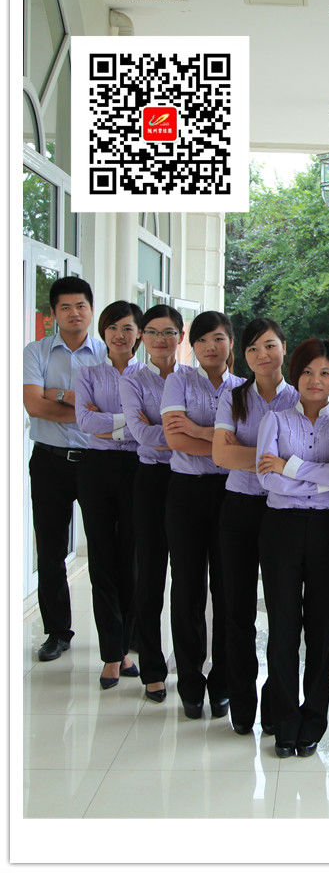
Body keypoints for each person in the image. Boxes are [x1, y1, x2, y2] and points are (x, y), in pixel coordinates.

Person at [256, 338, 329, 758]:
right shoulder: (275, 420)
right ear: (295, 376)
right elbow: (267, 478)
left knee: (321, 630)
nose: (316, 380)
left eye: (325, 372)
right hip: (281, 529)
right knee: (282, 628)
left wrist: (292, 468)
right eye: (308, 372)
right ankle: (284, 720)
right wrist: (319, 478)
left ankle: (313, 720)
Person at [212, 318, 299, 736]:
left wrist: (249, 454)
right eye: (252, 348)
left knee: (283, 613)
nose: (262, 355)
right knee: (237, 611)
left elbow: (311, 456)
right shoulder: (233, 397)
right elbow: (220, 456)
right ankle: (241, 702)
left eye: (269, 345)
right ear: (242, 355)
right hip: (239, 511)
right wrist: (275, 460)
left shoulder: (299, 397)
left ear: (284, 347)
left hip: (285, 513)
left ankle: (278, 706)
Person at [161, 311, 243, 719]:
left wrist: (195, 429)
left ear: (231, 342)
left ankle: (223, 683)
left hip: (232, 494)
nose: (211, 347)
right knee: (187, 588)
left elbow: (245, 440)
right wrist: (218, 441)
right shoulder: (178, 380)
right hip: (187, 492)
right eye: (202, 340)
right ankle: (190, 683)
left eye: (218, 338)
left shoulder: (242, 389)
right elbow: (173, 438)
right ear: (192, 346)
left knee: (228, 590)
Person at [23, 276, 107, 661]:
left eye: (81, 306)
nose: (75, 313)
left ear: (91, 309)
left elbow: (113, 410)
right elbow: (33, 405)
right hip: (49, 461)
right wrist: (84, 405)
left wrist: (57, 395)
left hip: (97, 461)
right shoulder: (36, 352)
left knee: (107, 550)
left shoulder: (107, 353)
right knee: (51, 550)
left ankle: (119, 635)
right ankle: (57, 632)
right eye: (66, 307)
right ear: (54, 312)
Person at [74, 300, 144, 689]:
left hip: (138, 468)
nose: (120, 334)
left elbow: (153, 427)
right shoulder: (88, 374)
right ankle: (111, 655)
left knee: (131, 560)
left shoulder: (150, 378)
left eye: (128, 328)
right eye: (113, 327)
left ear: (139, 335)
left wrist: (111, 424)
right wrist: (131, 423)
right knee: (101, 559)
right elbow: (84, 421)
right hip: (96, 469)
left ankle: (127, 648)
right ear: (104, 332)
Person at [120, 305, 184, 703]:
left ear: (181, 336)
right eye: (153, 332)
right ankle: (153, 669)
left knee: (188, 577)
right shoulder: (132, 379)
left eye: (169, 332)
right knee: (150, 576)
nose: (161, 339)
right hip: (150, 481)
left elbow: (214, 433)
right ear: (142, 337)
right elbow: (141, 435)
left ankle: (191, 665)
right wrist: (183, 433)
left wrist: (181, 432)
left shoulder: (191, 378)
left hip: (187, 481)